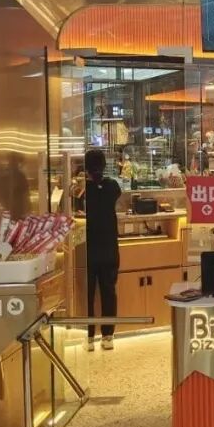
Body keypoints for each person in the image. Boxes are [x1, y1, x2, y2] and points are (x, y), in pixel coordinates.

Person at [84, 149, 121, 351]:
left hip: (88, 250)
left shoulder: (82, 189)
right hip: (109, 249)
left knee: (88, 295)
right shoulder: (113, 186)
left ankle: (88, 337)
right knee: (109, 292)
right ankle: (108, 337)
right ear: (105, 165)